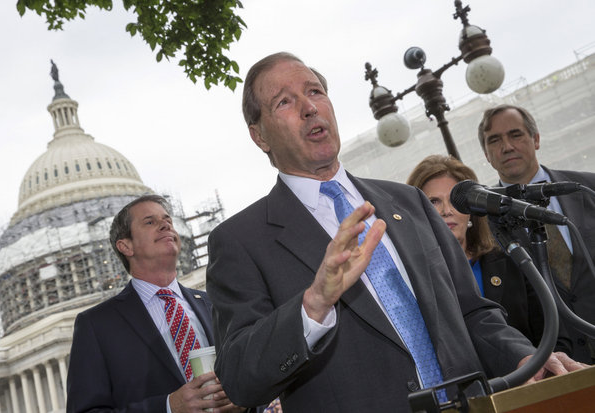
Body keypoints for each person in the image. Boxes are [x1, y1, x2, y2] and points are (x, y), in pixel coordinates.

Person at [205, 52, 584, 412]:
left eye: (315, 91)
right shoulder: (240, 241)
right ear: (260, 136)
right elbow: (239, 379)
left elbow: (472, 312)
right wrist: (314, 305)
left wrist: (526, 356)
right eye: (285, 102)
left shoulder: (409, 202)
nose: (310, 107)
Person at [66, 194, 246, 412]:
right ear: (126, 246)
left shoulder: (213, 305)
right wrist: (168, 407)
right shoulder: (96, 325)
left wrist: (244, 400)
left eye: (168, 221)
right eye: (150, 222)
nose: (165, 225)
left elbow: (252, 376)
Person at [407, 154, 572, 352]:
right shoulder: (414, 278)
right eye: (433, 201)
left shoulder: (511, 257)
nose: (446, 211)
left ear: (471, 209)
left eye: (453, 200)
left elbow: (554, 336)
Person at [479, 104, 595, 364]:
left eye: (516, 134)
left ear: (537, 139)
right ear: (486, 154)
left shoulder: (587, 188)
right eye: (494, 140)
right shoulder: (484, 223)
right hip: (557, 368)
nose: (507, 146)